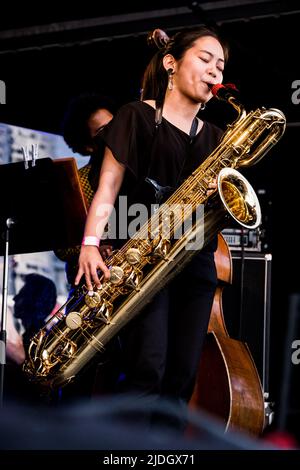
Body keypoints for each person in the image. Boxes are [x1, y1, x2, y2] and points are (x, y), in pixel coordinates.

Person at [75, 27, 229, 418]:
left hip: (195, 262)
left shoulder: (217, 137)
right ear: (171, 63)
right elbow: (106, 189)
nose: (214, 70)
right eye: (205, 59)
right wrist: (91, 244)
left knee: (180, 383)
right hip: (143, 261)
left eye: (221, 65)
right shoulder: (135, 116)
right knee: (147, 373)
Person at [56, 92, 116, 286]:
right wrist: (94, 247)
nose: (115, 132)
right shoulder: (77, 183)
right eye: (103, 130)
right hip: (95, 283)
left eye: (115, 124)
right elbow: (62, 248)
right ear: (87, 146)